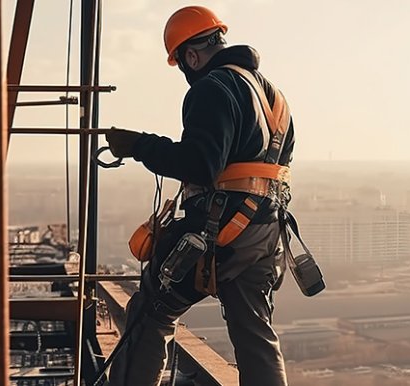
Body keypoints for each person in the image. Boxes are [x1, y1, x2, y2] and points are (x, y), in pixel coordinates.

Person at [105, 5, 294, 386]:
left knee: (152, 312)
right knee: (255, 334)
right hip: (264, 231)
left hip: (219, 230)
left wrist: (141, 146)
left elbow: (201, 164)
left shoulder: (213, 88)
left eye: (183, 65)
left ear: (191, 56)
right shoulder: (272, 95)